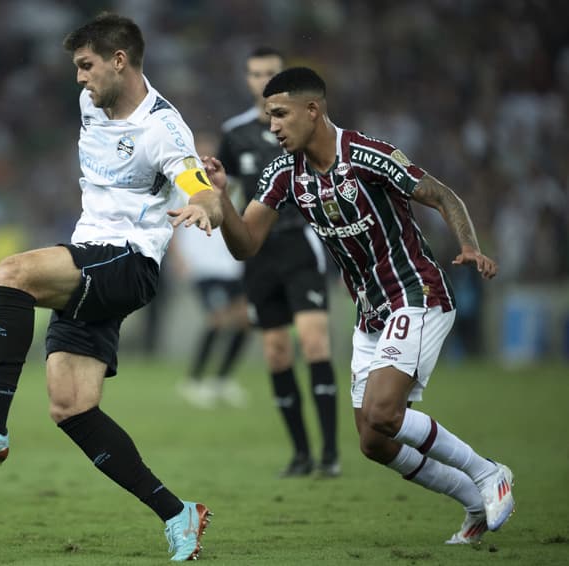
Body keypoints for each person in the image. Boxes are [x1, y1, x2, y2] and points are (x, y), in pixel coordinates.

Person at [0, 13, 220, 562]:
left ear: (120, 61)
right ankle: (177, 513)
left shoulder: (163, 128)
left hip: (128, 262)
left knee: (13, 273)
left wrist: (206, 202)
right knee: (72, 407)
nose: (79, 79)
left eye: (86, 65)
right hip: (93, 257)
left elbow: (196, 183)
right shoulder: (92, 103)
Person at [202, 66, 515, 545]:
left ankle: (490, 472)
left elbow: (442, 195)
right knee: (374, 441)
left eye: (281, 115)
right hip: (370, 313)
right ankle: (472, 502)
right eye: (269, 117)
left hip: (417, 293)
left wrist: (468, 245)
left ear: (313, 110)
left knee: (384, 412)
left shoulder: (369, 155)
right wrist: (223, 201)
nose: (274, 128)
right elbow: (246, 245)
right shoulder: (284, 172)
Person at [217, 48, 339, 476]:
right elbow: (227, 192)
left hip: (297, 243)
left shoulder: (304, 127)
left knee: (315, 343)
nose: (261, 78)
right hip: (259, 254)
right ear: (248, 80)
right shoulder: (234, 134)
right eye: (255, 73)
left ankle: (330, 455)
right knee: (275, 351)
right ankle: (301, 453)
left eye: (270, 72)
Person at [172, 146, 250, 408]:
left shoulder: (226, 185)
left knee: (244, 319)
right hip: (202, 266)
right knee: (217, 319)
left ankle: (221, 380)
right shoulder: (183, 184)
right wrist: (178, 258)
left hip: (230, 265)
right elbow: (170, 220)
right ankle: (193, 381)